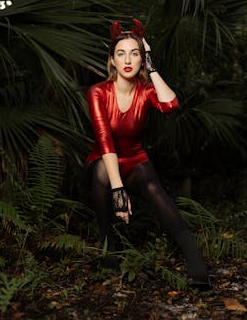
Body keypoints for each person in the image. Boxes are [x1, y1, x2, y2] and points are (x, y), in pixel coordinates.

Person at [84, 19, 210, 289]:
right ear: (112, 60)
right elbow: (105, 140)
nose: (127, 59)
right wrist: (118, 191)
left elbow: (171, 104)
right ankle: (109, 246)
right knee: (103, 172)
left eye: (135, 53)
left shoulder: (146, 91)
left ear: (142, 59)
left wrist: (152, 67)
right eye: (121, 53)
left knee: (153, 186)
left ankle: (195, 260)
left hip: (135, 158)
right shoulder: (97, 92)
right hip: (105, 160)